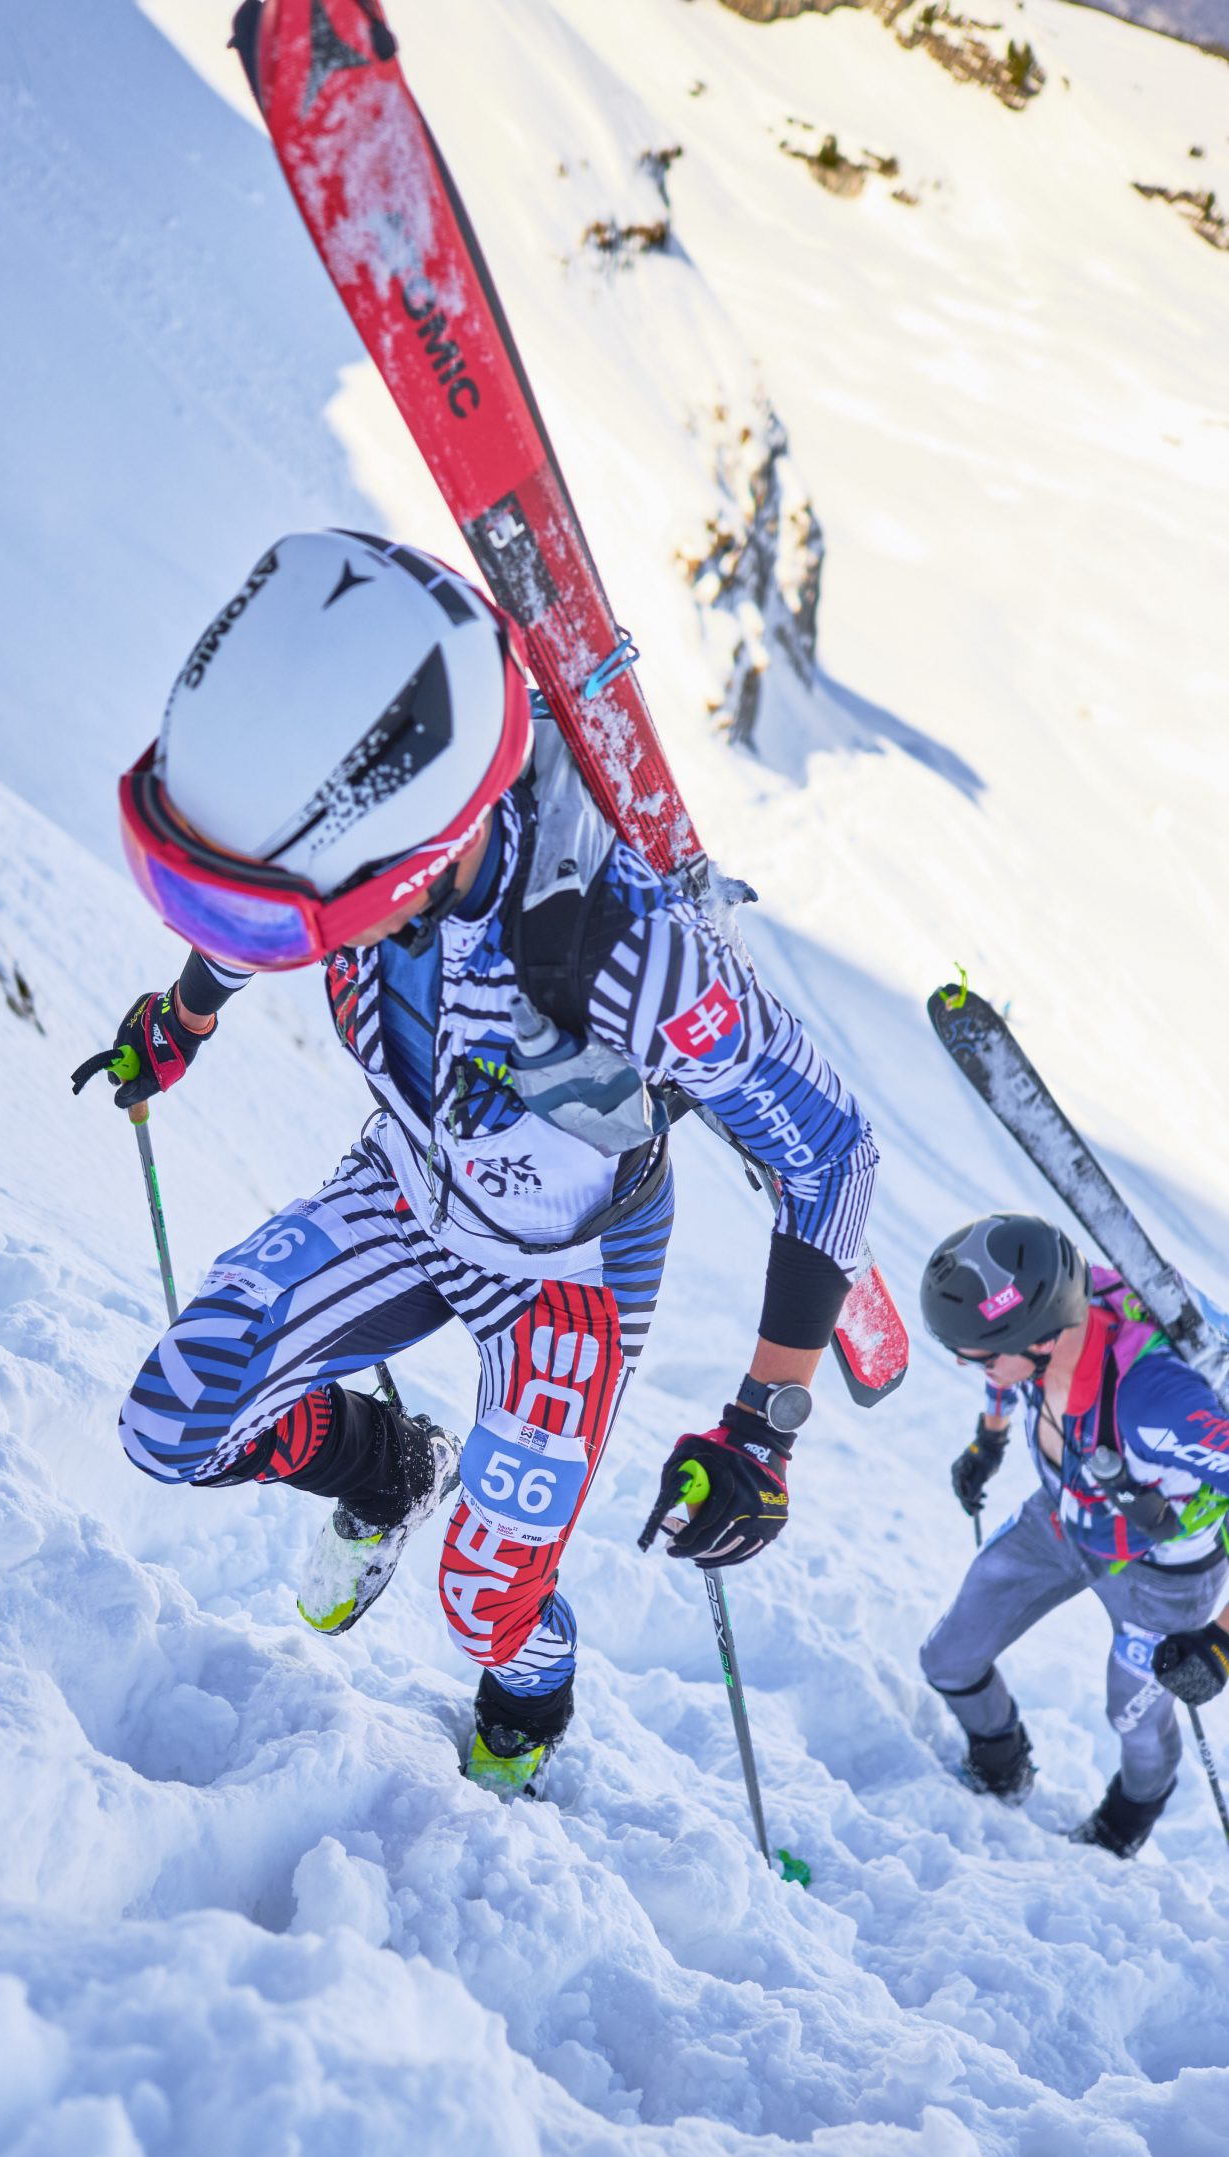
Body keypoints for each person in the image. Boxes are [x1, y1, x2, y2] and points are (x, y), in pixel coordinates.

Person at [78, 530, 878, 1795]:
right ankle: (393, 1468)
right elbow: (271, 892)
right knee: (174, 1420)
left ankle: (530, 1697)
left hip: (570, 1275)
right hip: (404, 1187)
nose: (268, 936)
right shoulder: (354, 846)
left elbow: (831, 1147)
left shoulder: (625, 958)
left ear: (410, 849)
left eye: (287, 916)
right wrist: (181, 1018)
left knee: (483, 1600)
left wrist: (764, 1427)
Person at [920, 1213, 1229, 1855]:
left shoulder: (1157, 1402)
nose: (967, 1364)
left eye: (980, 1356)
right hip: (1063, 1516)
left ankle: (1123, 1826)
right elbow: (1002, 1375)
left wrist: (1223, 1640)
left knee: (1134, 1718)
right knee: (948, 1656)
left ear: (1039, 1337)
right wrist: (989, 1440)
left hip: (1164, 1575)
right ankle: (1000, 1762)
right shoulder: (1051, 1320)